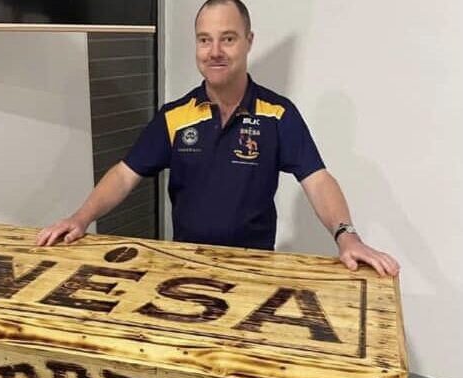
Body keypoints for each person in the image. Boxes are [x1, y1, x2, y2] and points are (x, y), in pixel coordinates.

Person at [36, 0, 399, 277]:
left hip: (255, 272)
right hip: (185, 268)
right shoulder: (175, 116)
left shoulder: (278, 114)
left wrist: (347, 236)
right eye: (204, 40)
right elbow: (124, 174)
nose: (214, 52)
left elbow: (317, 180)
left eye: (227, 39)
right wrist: (80, 218)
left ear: (248, 42)